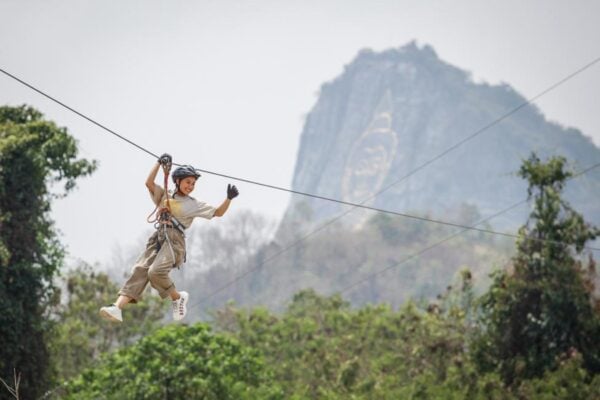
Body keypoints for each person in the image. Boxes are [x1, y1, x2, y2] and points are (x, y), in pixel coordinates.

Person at [100, 154, 239, 322]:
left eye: (193, 183)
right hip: (158, 237)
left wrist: (228, 199)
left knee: (155, 272)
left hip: (174, 241)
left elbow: (218, 212)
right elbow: (149, 183)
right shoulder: (165, 195)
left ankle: (177, 297)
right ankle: (117, 308)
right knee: (140, 269)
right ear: (178, 181)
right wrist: (159, 163)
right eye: (188, 182)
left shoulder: (193, 204)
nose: (191, 186)